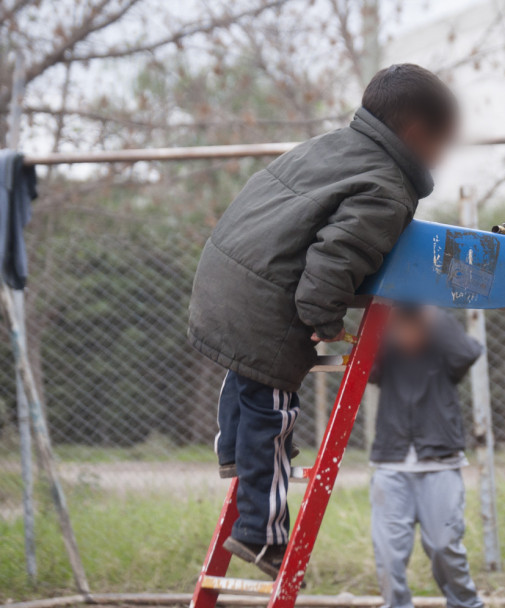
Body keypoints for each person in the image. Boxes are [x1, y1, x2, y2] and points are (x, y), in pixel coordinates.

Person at [187, 64, 459, 578]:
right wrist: (325, 320)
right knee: (274, 414)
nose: (441, 158)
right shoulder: (386, 187)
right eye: (442, 145)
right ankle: (261, 534)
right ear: (418, 136)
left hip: (224, 284)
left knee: (246, 384)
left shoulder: (332, 148)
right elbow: (335, 259)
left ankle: (235, 450)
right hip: (265, 307)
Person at [368, 305, 485, 608]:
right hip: (391, 463)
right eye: (401, 328)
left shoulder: (442, 352)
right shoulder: (389, 355)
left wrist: (430, 315)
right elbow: (367, 366)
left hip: (440, 462)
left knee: (444, 546)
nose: (409, 335)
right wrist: (387, 320)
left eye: (414, 326)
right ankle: (396, 605)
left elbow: (467, 352)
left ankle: (465, 604)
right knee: (389, 552)